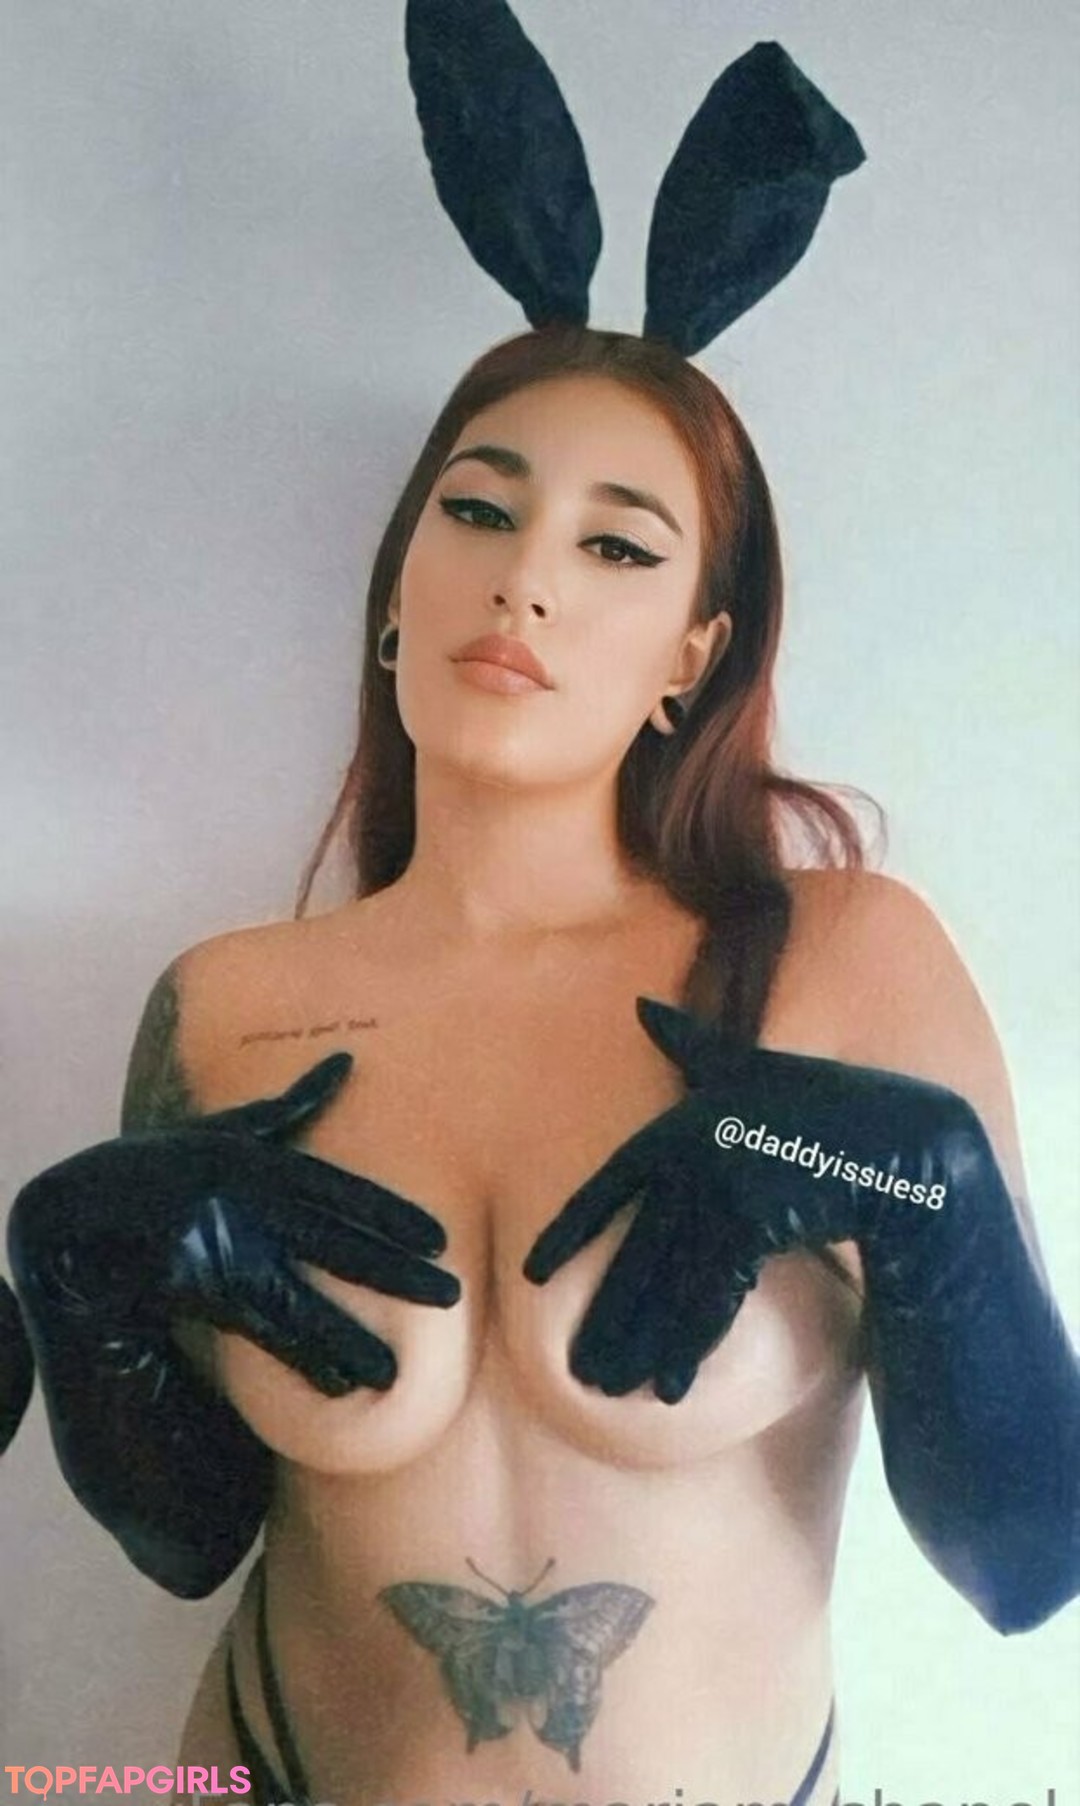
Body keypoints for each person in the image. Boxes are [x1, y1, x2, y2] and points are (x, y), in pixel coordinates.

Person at [14, 323, 1061, 1800]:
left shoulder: (843, 956)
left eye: (616, 545)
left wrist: (908, 1188)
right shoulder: (226, 1005)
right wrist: (78, 1287)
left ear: (692, 656)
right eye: (480, 510)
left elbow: (1028, 1563)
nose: (525, 578)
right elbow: (191, 1539)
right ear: (397, 594)